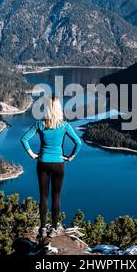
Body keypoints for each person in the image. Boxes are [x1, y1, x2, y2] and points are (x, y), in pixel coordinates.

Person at [21, 96, 82, 240]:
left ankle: (42, 228)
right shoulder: (64, 125)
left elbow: (24, 139)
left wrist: (32, 155)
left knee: (43, 196)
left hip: (42, 163)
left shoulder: (40, 124)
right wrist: (70, 157)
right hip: (58, 164)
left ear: (47, 108)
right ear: (59, 109)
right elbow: (78, 143)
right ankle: (54, 228)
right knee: (56, 198)